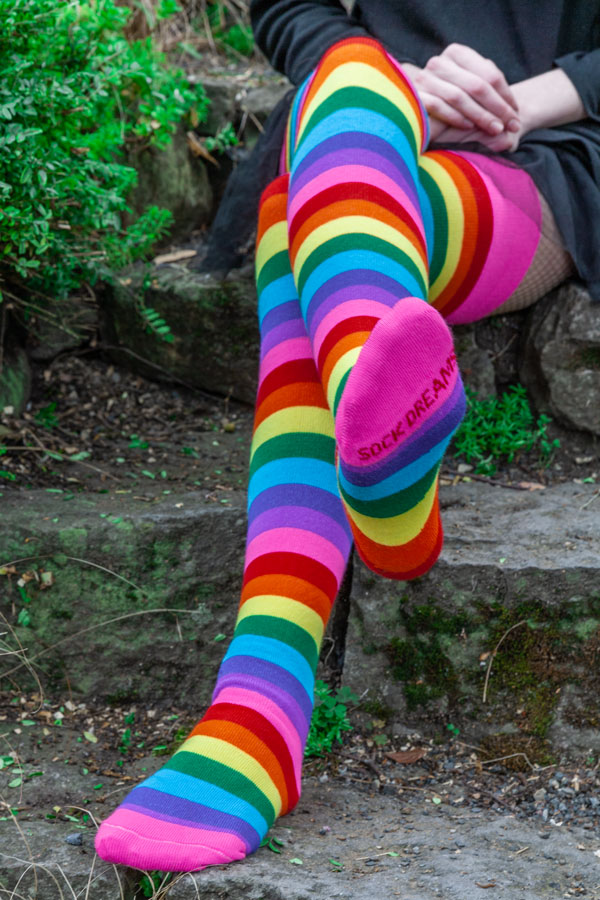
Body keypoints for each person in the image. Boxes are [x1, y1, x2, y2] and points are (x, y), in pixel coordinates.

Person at [95, 0, 598, 872]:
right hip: (363, 126)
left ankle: (258, 708)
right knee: (349, 87)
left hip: (545, 151)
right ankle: (379, 414)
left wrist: (509, 104)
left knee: (302, 231)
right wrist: (401, 87)